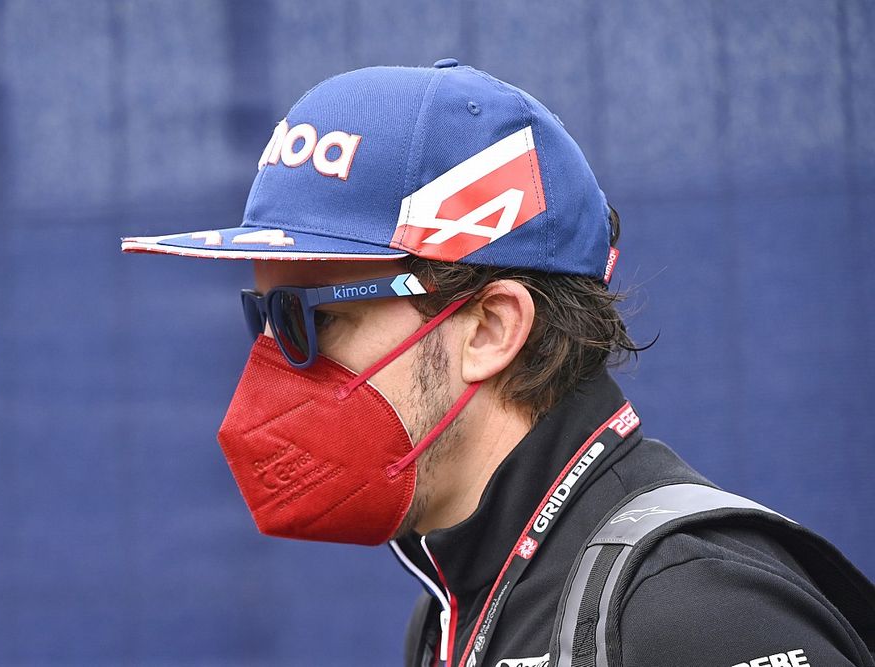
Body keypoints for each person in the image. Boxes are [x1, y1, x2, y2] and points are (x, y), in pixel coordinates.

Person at [122, 60, 875, 667]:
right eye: (264, 316)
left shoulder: (694, 610)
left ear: (491, 326)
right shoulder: (447, 608)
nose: (275, 366)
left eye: (315, 318)